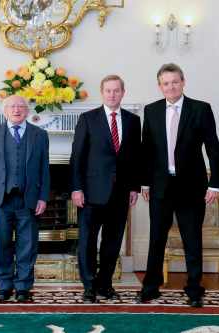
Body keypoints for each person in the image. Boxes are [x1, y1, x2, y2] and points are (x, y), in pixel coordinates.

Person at [138, 63, 219, 308]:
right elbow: (148, 150)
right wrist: (144, 182)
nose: (171, 87)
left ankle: (195, 289)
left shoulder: (200, 109)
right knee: (156, 238)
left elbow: (213, 147)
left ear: (183, 82)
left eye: (175, 82)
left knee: (192, 239)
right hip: (160, 186)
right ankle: (150, 286)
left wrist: (216, 183)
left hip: (191, 186)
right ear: (160, 86)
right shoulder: (152, 110)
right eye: (166, 83)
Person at [70, 75, 141, 303]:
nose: (112, 94)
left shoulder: (133, 121)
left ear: (123, 92)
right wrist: (77, 188)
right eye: (108, 90)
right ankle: (89, 286)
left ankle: (105, 284)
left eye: (116, 90)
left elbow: (133, 158)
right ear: (102, 93)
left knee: (113, 242)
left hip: (120, 193)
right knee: (88, 241)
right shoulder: (88, 119)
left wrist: (134, 188)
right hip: (90, 193)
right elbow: (77, 157)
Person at [0, 95, 50, 302]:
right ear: (5, 111)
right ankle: (4, 286)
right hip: (1, 200)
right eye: (12, 106)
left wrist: (43, 197)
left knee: (27, 245)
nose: (17, 109)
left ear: (27, 111)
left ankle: (23, 287)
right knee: (2, 244)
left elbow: (44, 169)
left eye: (21, 106)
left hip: (28, 200)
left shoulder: (40, 135)